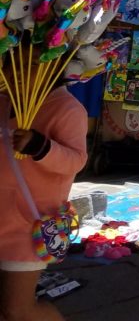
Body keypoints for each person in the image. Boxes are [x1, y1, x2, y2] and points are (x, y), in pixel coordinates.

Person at [0, 62, 87, 321]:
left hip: (30, 225)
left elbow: (76, 161)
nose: (14, 71)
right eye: (9, 63)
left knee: (18, 309)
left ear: (55, 65)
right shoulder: (3, 103)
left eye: (31, 63)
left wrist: (41, 146)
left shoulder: (67, 109)